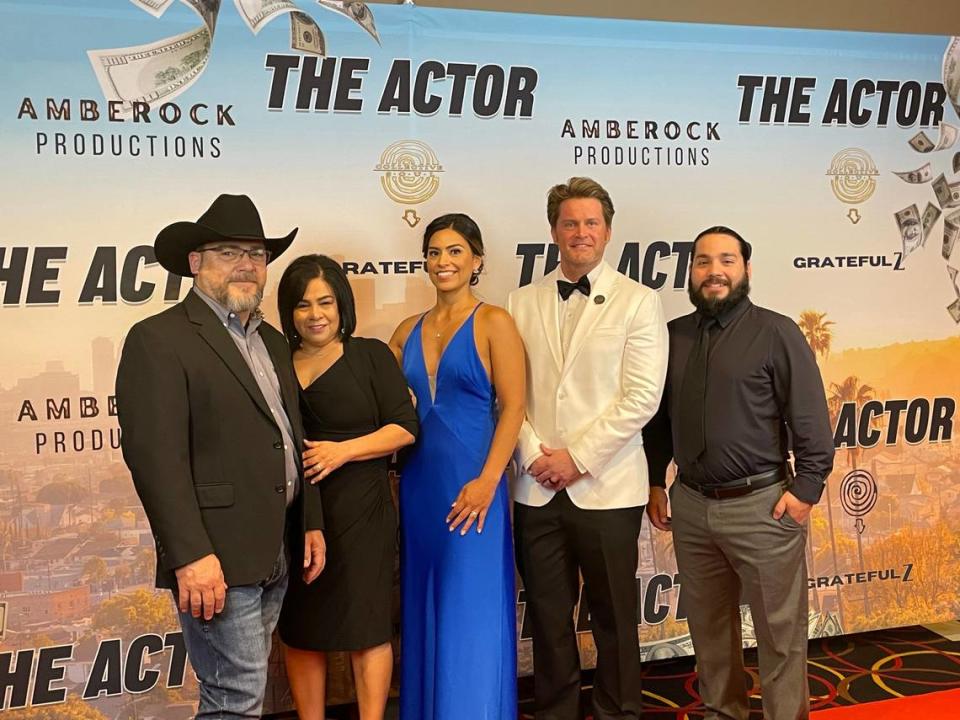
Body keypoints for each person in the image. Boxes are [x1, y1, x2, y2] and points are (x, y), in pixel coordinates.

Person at [116, 194, 324, 718]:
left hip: (276, 545)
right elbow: (155, 458)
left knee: (236, 696)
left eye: (255, 254)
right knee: (236, 697)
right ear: (195, 263)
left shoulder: (272, 341)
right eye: (229, 252)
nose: (247, 266)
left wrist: (310, 521)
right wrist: (189, 555)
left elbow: (293, 436)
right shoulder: (158, 340)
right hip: (216, 556)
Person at [642, 226, 835, 720]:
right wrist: (656, 482)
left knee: (779, 636)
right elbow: (661, 421)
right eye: (703, 262)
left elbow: (811, 417)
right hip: (691, 505)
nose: (714, 272)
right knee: (709, 633)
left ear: (746, 270)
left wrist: (805, 490)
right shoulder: (675, 336)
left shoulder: (777, 332)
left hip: (763, 507)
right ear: (692, 272)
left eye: (726, 261)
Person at [506, 177, 668, 720]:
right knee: (549, 618)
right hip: (535, 487)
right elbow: (511, 395)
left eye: (591, 222)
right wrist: (532, 454)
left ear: (608, 231)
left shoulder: (640, 302)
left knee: (615, 616)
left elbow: (642, 397)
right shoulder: (518, 302)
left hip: (607, 486)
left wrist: (574, 458)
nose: (581, 232)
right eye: (570, 222)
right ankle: (555, 712)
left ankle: (619, 712)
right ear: (554, 231)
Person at [388, 213, 526, 719]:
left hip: (476, 489)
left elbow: (514, 407)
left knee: (469, 614)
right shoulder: (404, 332)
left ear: (476, 260)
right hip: (420, 487)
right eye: (433, 252)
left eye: (454, 251)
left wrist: (489, 482)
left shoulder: (494, 323)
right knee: (426, 606)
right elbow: (386, 406)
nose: (442, 262)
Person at [276, 254, 418, 720]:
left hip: (362, 509)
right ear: (289, 312)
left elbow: (405, 427)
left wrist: (343, 451)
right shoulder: (273, 362)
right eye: (302, 305)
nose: (315, 314)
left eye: (325, 302)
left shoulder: (370, 355)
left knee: (367, 626)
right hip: (297, 512)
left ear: (341, 306)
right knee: (301, 628)